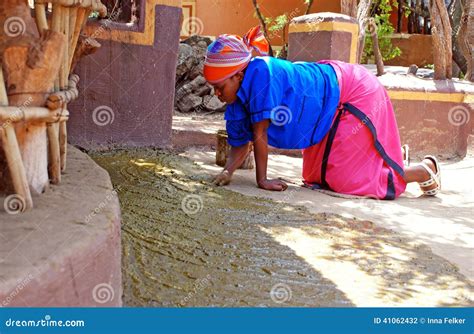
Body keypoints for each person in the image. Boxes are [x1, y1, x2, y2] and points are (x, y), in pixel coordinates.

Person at [203, 26, 441, 199]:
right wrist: (228, 171)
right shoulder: (236, 101)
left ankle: (420, 171)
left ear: (238, 76)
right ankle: (379, 154)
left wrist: (262, 180)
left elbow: (259, 132)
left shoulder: (261, 74)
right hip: (327, 106)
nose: (217, 94)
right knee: (317, 176)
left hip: (352, 92)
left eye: (220, 87)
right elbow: (241, 142)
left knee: (344, 181)